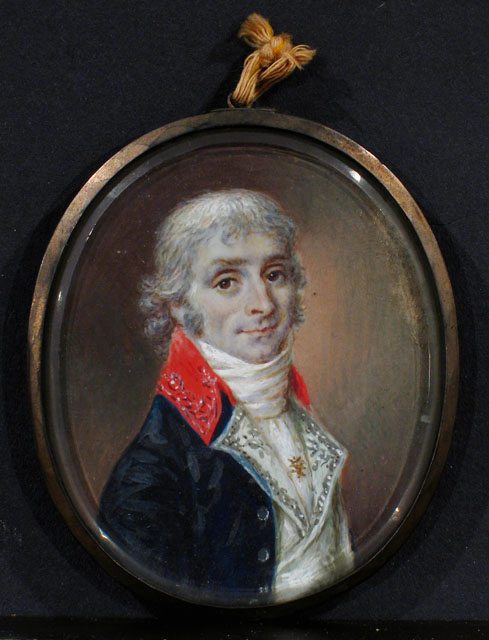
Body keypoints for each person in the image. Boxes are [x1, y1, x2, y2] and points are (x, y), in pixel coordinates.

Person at [97, 189, 353, 606]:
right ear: (179, 304)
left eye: (275, 275)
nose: (263, 305)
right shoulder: (150, 476)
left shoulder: (299, 415)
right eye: (227, 282)